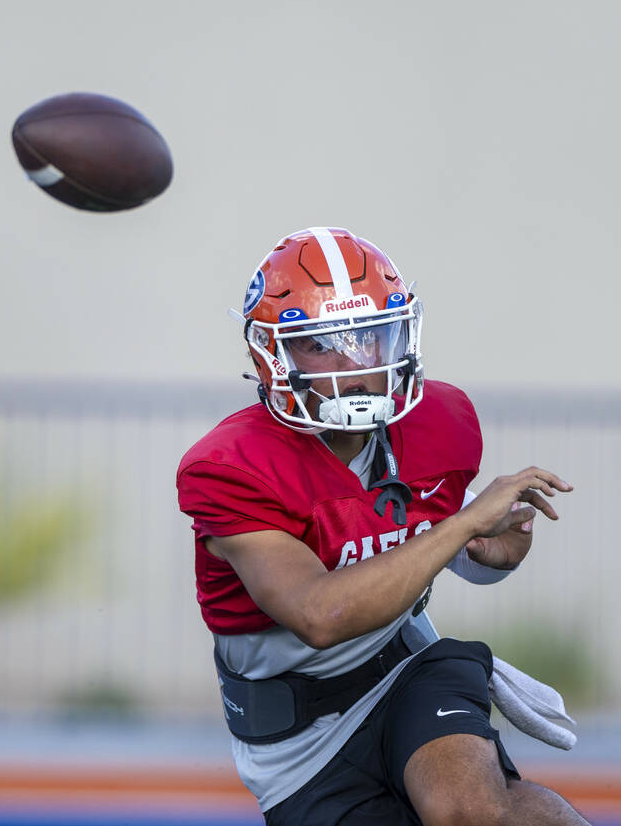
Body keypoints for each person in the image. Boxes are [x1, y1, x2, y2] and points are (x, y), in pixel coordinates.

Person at [176, 227, 588, 826]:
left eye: (371, 338)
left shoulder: (434, 424)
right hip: (300, 744)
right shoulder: (231, 467)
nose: (356, 364)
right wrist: (462, 523)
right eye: (323, 345)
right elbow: (321, 615)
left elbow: (424, 525)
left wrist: (485, 549)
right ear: (270, 355)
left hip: (407, 669)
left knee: (470, 811)